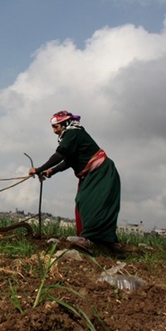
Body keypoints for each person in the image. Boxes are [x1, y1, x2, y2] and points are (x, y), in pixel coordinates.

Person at [29, 110, 123, 256]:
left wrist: (39, 169)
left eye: (56, 127)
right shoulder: (73, 135)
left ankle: (91, 239)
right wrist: (52, 171)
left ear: (66, 124)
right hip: (93, 174)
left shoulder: (72, 133)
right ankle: (106, 242)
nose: (55, 131)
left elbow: (60, 155)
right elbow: (69, 160)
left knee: (89, 203)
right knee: (84, 202)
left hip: (100, 172)